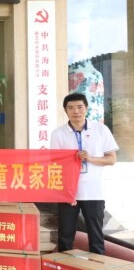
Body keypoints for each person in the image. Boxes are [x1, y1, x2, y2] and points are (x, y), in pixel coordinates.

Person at [50, 92, 118, 254]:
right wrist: (64, 191)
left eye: (80, 107)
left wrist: (90, 158)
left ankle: (97, 268)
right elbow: (56, 165)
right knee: (65, 236)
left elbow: (111, 159)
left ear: (86, 108)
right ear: (65, 111)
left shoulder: (101, 130)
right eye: (71, 108)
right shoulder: (58, 133)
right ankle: (64, 267)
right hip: (69, 193)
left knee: (96, 237)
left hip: (94, 192)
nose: (76, 111)